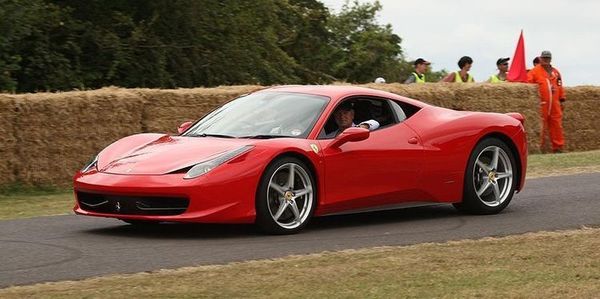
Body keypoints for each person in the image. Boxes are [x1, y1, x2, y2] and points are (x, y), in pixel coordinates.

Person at [527, 50, 566, 153]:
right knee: (541, 126)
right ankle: (538, 148)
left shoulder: (556, 72)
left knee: (556, 125)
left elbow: (560, 86)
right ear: (540, 58)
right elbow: (528, 86)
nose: (545, 60)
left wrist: (562, 99)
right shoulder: (534, 72)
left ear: (550, 59)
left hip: (555, 104)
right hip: (541, 104)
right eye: (544, 58)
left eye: (547, 58)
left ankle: (558, 147)